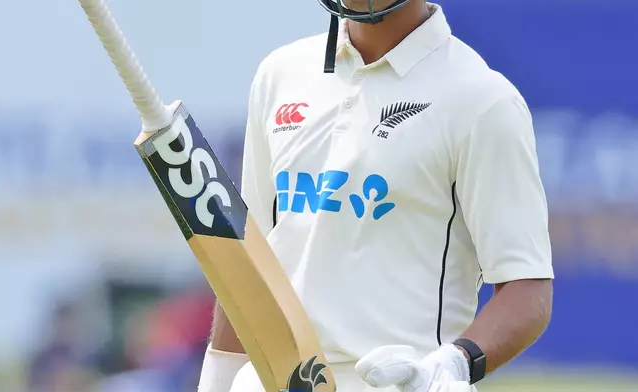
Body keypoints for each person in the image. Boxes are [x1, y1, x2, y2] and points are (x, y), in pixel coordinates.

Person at [198, 1, 554, 391]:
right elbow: (251, 263)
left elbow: (527, 289)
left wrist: (453, 364)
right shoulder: (279, 74)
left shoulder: (483, 100)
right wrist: (216, 381)